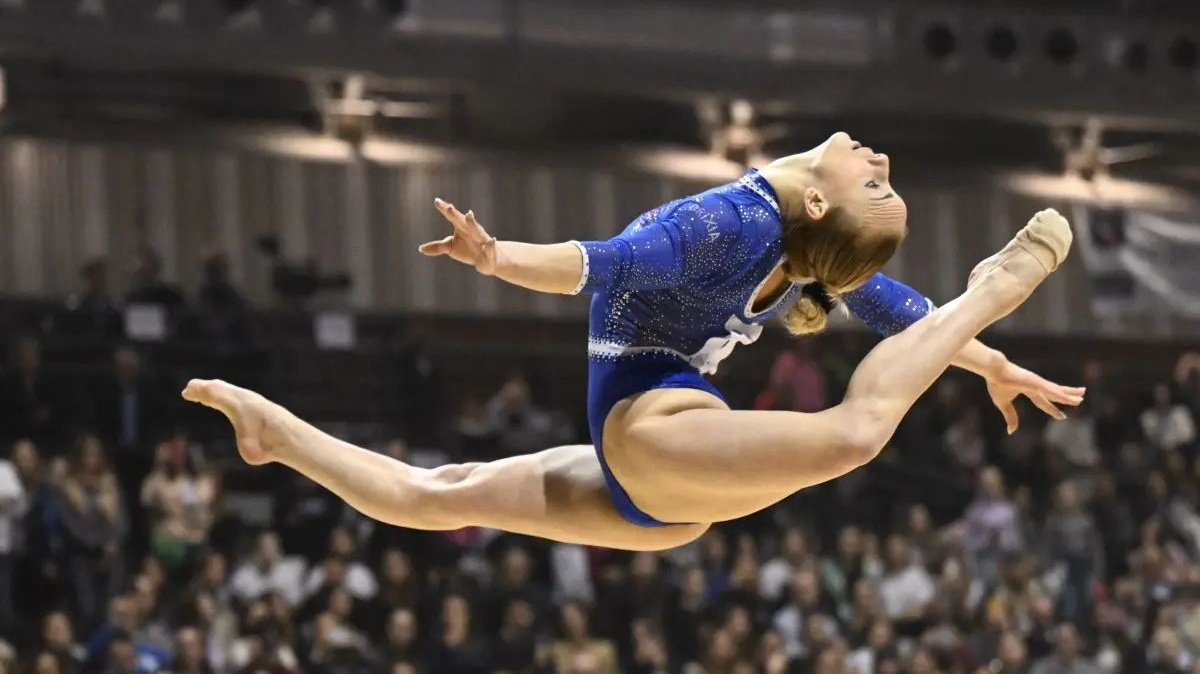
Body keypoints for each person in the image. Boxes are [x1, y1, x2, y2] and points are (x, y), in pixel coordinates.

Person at [182, 132, 1083, 551]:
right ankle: (270, 427)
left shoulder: (741, 232)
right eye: (885, 185)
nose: (882, 165)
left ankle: (991, 296)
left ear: (821, 206)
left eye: (878, 188)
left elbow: (592, 266)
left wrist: (995, 363)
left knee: (855, 434)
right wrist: (496, 258)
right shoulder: (752, 228)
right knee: (434, 493)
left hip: (658, 463)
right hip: (658, 459)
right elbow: (598, 264)